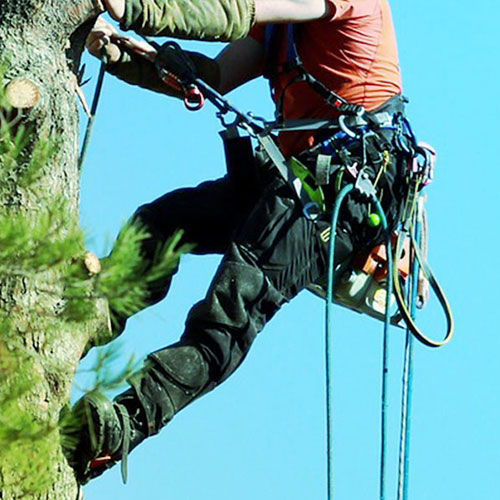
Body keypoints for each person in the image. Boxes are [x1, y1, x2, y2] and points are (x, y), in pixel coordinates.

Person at [67, 0, 413, 484]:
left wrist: (136, 7)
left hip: (342, 187)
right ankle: (88, 315)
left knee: (230, 310)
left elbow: (232, 11)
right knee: (164, 222)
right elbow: (214, 73)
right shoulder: (279, 33)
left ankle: (121, 427)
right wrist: (122, 55)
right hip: (292, 180)